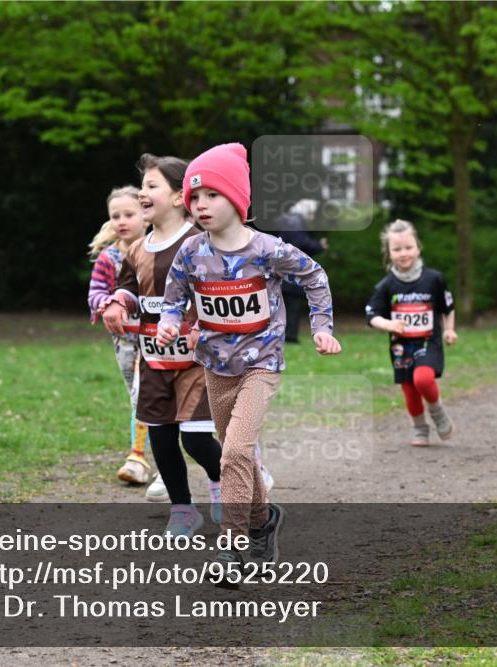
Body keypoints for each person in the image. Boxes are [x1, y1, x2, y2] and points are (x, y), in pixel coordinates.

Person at [155, 143, 340, 581]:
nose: (200, 205)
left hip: (262, 365)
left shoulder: (268, 249)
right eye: (194, 197)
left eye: (211, 195)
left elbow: (315, 275)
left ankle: (232, 547)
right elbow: (175, 296)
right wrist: (168, 321)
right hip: (216, 367)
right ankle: (263, 520)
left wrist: (321, 326)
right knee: (239, 457)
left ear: (237, 199)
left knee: (235, 451)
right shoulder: (191, 252)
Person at [104, 153, 222, 538]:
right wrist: (119, 302)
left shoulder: (200, 243)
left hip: (197, 363)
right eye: (142, 186)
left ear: (177, 197)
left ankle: (228, 485)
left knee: (196, 438)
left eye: (152, 185)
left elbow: (220, 291)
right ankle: (183, 509)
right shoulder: (138, 247)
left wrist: (200, 323)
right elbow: (127, 284)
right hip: (153, 358)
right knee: (161, 435)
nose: (142, 192)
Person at [366, 219, 457, 446]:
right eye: (397, 249)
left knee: (422, 379)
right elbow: (371, 314)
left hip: (428, 342)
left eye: (408, 247)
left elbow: (448, 306)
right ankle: (420, 428)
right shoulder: (386, 285)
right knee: (409, 389)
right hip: (401, 346)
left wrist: (449, 330)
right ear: (389, 252)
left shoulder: (434, 278)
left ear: (418, 247)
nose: (403, 253)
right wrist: (388, 325)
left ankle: (437, 413)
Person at [87, 186, 156, 487]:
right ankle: (147, 453)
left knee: (143, 395)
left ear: (146, 214)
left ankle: (137, 457)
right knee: (136, 398)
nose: (121, 221)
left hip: (156, 338)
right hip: (124, 341)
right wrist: (104, 305)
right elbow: (96, 292)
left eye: (129, 214)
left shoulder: (158, 250)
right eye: (115, 216)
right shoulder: (108, 258)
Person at [273, 199, 328, 343]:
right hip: (293, 270)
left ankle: (283, 334)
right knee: (293, 304)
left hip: (282, 268)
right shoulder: (297, 222)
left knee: (283, 303)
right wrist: (319, 246)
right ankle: (290, 336)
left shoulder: (287, 220)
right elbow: (301, 244)